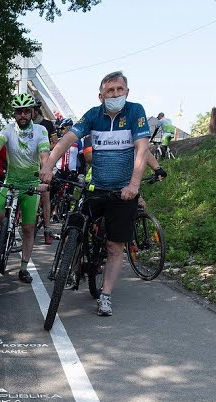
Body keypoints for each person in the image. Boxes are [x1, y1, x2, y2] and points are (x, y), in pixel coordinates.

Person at [40, 70, 150, 318]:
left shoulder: (135, 112)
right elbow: (67, 139)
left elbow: (142, 148)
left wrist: (134, 185)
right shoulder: (92, 115)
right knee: (76, 223)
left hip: (123, 192)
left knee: (114, 246)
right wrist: (48, 166)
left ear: (127, 92)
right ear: (101, 96)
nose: (115, 95)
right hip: (96, 187)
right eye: (109, 91)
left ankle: (106, 296)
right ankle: (73, 259)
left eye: (119, 90)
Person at [0, 93, 51, 284]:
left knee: (28, 229)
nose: (22, 115)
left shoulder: (40, 131)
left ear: (32, 112)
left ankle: (23, 267)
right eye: (19, 112)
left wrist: (45, 170)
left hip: (31, 184)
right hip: (10, 182)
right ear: (14, 114)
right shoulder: (8, 129)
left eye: (26, 111)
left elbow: (44, 154)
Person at [33, 100, 58, 244]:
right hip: (28, 164)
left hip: (43, 163)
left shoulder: (47, 124)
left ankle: (47, 229)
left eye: (33, 110)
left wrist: (43, 146)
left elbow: (56, 143)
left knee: (45, 196)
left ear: (36, 111)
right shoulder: (25, 124)